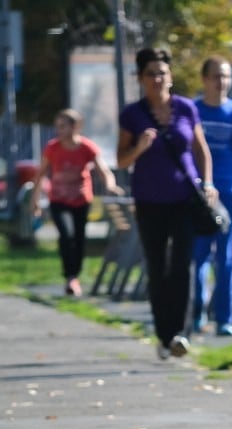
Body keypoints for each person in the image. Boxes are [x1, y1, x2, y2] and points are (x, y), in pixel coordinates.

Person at [117, 47, 218, 360]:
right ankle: (163, 334)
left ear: (170, 76)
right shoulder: (132, 115)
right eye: (151, 74)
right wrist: (140, 147)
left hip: (185, 200)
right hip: (149, 203)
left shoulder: (186, 108)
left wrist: (209, 183)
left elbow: (201, 150)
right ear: (140, 79)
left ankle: (180, 334)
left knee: (182, 267)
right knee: (158, 268)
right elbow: (121, 160)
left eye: (162, 73)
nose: (157, 78)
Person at [192, 56, 232, 337]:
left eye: (226, 76)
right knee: (198, 257)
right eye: (217, 76)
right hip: (196, 196)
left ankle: (225, 319)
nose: (222, 82)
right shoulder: (192, 111)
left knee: (228, 258)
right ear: (205, 79)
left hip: (228, 196)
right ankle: (195, 314)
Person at [30, 108, 123, 296]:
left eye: (63, 126)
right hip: (58, 199)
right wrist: (35, 199)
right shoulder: (52, 148)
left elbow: (103, 170)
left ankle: (75, 277)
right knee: (66, 235)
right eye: (58, 126)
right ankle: (69, 276)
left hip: (81, 200)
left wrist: (111, 185)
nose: (59, 130)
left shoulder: (87, 147)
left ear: (75, 127)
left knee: (79, 238)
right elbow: (40, 174)